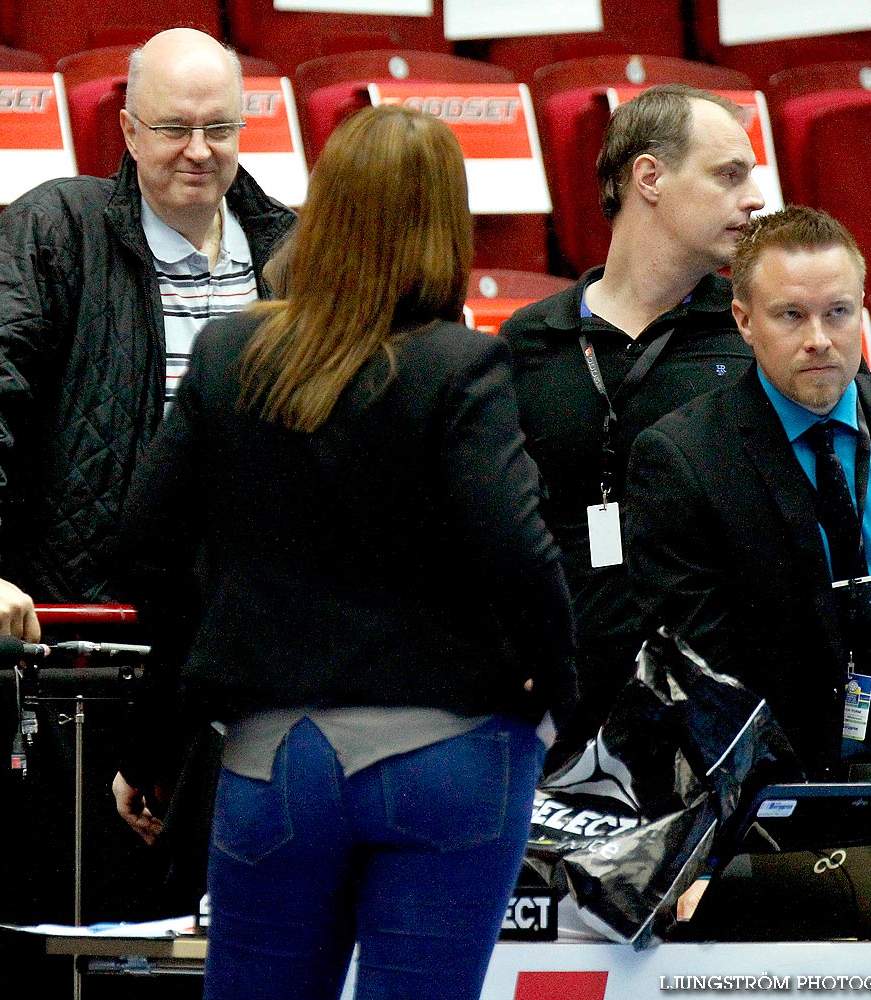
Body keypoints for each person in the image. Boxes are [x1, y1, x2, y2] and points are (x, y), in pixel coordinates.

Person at [112, 104, 577, 1000]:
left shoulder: (230, 351)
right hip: (454, 760)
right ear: (446, 223)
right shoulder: (460, 365)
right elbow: (522, 557)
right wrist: (552, 698)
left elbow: (142, 550)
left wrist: (169, 724)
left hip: (269, 761)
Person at [0, 28, 295, 645]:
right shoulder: (55, 230)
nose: (199, 150)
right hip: (74, 634)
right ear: (130, 131)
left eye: (219, 129)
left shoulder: (293, 254)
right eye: (174, 128)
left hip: (239, 633)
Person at [626, 206, 871, 785]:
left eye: (838, 313)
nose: (819, 340)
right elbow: (705, 674)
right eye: (791, 317)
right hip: (782, 791)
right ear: (744, 321)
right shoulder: (683, 459)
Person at [500, 84, 765, 752]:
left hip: (716, 716)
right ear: (650, 177)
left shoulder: (756, 337)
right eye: (729, 175)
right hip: (557, 718)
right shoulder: (529, 342)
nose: (755, 197)